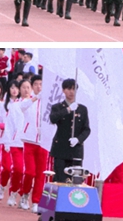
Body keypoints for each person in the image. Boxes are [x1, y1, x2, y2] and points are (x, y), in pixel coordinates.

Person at [48, 78, 90, 183]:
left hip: (76, 151)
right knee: (60, 179)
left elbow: (86, 129)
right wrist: (68, 109)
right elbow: (53, 119)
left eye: (74, 89)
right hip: (61, 149)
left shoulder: (82, 109)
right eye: (69, 89)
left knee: (75, 181)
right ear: (63, 90)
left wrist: (78, 139)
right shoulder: (57, 107)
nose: (71, 92)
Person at [18, 75, 48, 213]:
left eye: (41, 84)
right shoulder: (28, 101)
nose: (38, 87)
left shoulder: (48, 103)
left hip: (43, 142)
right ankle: (24, 194)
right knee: (30, 172)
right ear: (32, 87)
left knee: (41, 174)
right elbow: (22, 107)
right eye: (36, 84)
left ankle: (36, 201)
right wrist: (35, 98)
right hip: (29, 140)